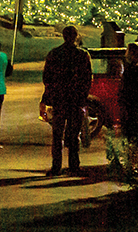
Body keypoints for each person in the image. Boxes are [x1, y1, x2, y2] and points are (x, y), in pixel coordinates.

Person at [41, 25, 92, 175]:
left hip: (59, 100)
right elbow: (88, 78)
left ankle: (56, 166)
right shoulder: (82, 55)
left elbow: (47, 78)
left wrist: (50, 95)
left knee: (57, 135)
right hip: (75, 100)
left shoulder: (54, 54)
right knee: (74, 135)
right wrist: (82, 95)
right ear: (76, 36)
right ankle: (74, 166)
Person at [118, 42, 138, 142]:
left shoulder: (131, 70)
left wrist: (122, 100)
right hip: (135, 104)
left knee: (130, 129)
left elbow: (126, 88)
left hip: (131, 104)